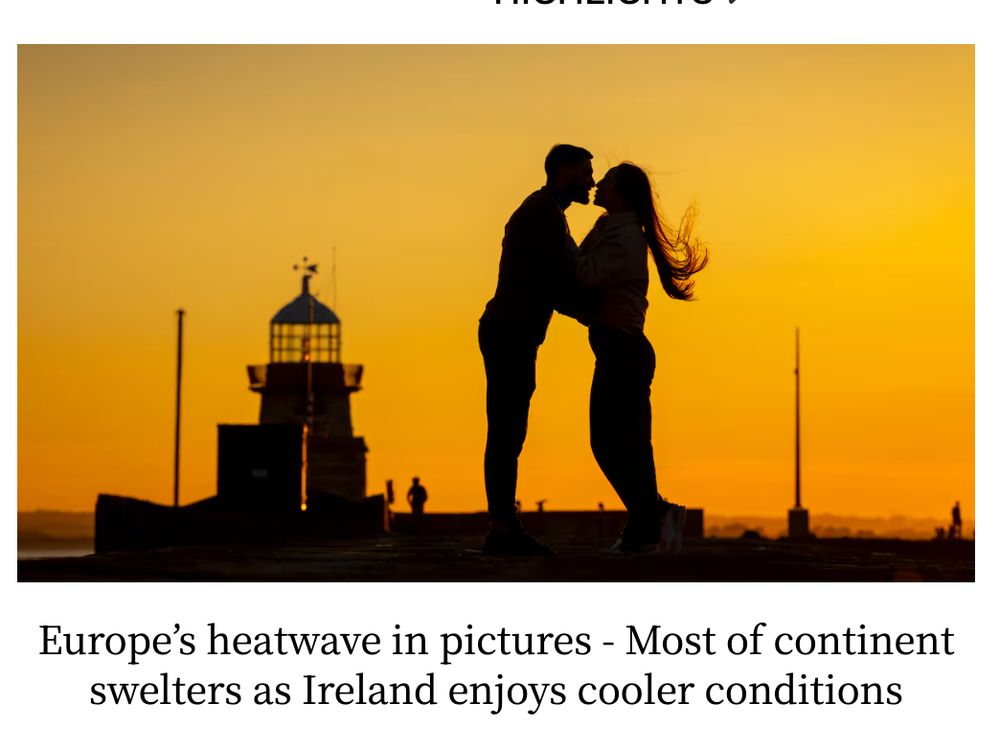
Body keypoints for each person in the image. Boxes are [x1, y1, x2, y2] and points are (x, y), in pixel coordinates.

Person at [572, 162, 708, 554]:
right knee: (626, 444)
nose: (598, 186)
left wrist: (557, 246)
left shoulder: (623, 239)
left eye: (607, 182)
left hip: (623, 351)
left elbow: (583, 275)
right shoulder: (611, 231)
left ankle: (652, 518)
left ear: (623, 193)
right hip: (617, 349)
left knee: (611, 443)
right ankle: (647, 525)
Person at [479, 144, 595, 555]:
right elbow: (552, 281)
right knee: (507, 430)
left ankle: (504, 525)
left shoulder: (548, 213)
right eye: (585, 172)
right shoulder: (541, 214)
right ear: (563, 171)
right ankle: (503, 528)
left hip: (515, 331)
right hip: (510, 331)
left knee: (509, 429)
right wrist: (594, 315)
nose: (591, 181)